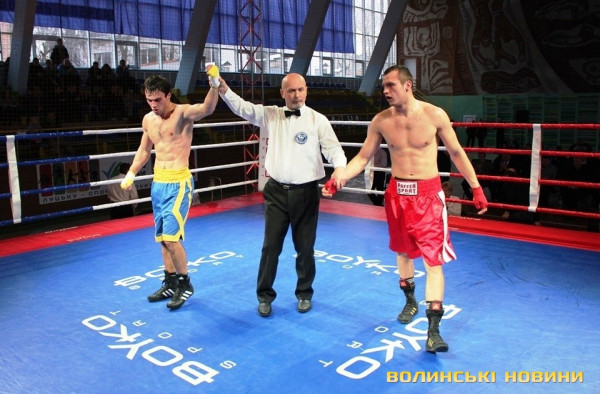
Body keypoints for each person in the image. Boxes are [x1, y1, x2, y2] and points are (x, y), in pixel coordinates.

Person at [324, 65, 488, 353]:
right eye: (383, 87)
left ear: (408, 85)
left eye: (391, 85)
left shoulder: (435, 115)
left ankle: (433, 331)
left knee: (433, 260)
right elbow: (362, 157)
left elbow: (456, 152)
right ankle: (410, 301)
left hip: (428, 196)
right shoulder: (381, 121)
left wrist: (475, 187)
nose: (385, 91)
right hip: (397, 195)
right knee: (402, 252)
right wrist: (341, 178)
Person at [215, 72, 347, 317]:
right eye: (291, 90)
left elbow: (333, 149)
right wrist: (223, 90)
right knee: (270, 247)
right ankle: (264, 296)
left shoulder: (318, 120)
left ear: (306, 91)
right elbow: (242, 108)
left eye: (300, 90)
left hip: (306, 192)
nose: (296, 95)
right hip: (276, 192)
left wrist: (339, 169)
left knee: (305, 248)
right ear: (282, 93)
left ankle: (304, 293)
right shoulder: (271, 114)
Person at [120, 72, 220, 310]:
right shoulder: (148, 120)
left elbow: (207, 108)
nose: (153, 105)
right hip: (159, 183)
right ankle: (170, 282)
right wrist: (132, 172)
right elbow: (144, 150)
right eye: (149, 100)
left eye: (158, 100)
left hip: (178, 183)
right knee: (163, 239)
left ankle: (185, 284)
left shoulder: (183, 113)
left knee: (172, 238)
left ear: (168, 96)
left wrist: (214, 84)